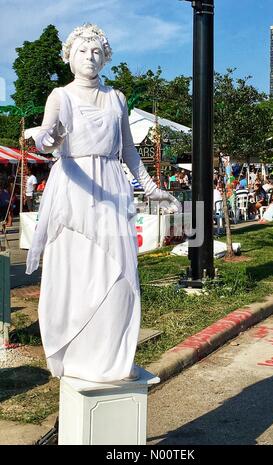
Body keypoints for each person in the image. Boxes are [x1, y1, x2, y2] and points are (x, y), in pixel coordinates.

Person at [25, 24, 180, 383]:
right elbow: (46, 140)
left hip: (112, 188)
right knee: (77, 273)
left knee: (118, 276)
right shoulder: (60, 96)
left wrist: (152, 187)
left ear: (105, 56)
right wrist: (49, 139)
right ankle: (76, 355)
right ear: (70, 58)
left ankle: (111, 358)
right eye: (82, 51)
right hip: (74, 188)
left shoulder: (117, 98)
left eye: (96, 51)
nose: (90, 57)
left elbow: (128, 150)